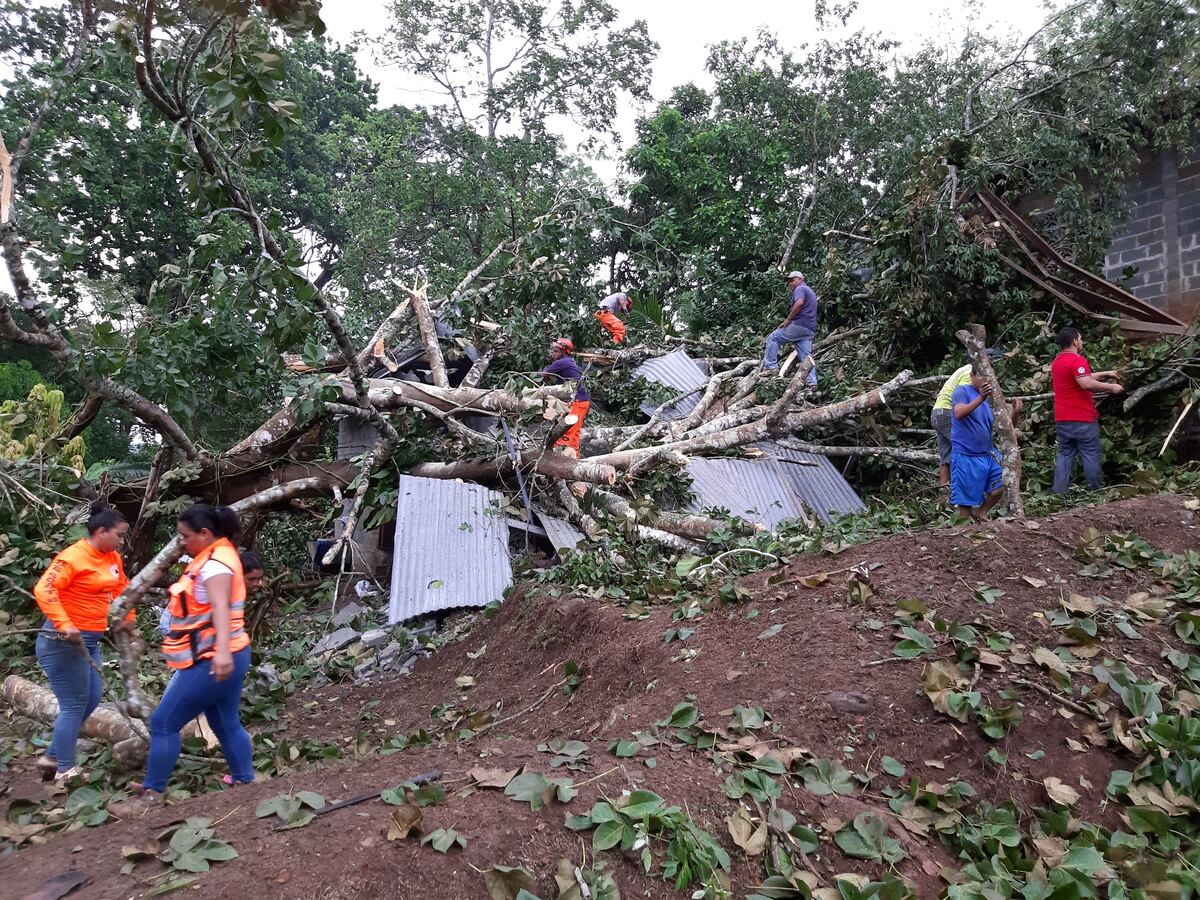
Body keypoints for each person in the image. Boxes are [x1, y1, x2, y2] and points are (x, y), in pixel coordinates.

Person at [111, 504, 253, 814]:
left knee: (164, 723)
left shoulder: (216, 565)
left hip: (215, 657)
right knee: (225, 722)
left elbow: (220, 610)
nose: (181, 542)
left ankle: (152, 795)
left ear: (205, 534)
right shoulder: (216, 556)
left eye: (185, 536)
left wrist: (223, 655)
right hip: (228, 653)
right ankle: (246, 783)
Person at [32, 505, 134, 780]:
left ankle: (52, 757)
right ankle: (65, 770)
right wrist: (65, 624)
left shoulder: (112, 557)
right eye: (119, 535)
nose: (122, 541)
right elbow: (44, 589)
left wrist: (129, 616)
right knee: (75, 705)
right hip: (61, 642)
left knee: (90, 700)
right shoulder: (73, 557)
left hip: (90, 641)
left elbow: (122, 587)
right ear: (101, 532)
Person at [1051, 326, 1123, 495]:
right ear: (1075, 341)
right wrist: (1111, 387)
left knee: (1065, 455)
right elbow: (1085, 383)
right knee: (1090, 454)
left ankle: (1059, 493)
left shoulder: (1057, 362)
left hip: (1062, 418)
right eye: (1080, 338)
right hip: (1082, 418)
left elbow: (1082, 377)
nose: (1081, 342)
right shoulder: (1077, 360)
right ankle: (1096, 493)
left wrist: (1106, 373)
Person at [931, 348, 1002, 488]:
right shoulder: (970, 373)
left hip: (938, 412)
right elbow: (963, 399)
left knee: (946, 455)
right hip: (947, 412)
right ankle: (971, 488)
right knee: (967, 449)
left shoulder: (966, 369)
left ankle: (944, 490)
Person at [950, 366, 1008, 521]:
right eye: (982, 375)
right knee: (964, 504)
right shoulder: (962, 391)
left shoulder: (990, 398)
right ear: (972, 375)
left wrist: (1016, 412)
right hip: (965, 454)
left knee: (1002, 483)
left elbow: (1005, 428)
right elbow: (959, 413)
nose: (987, 379)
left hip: (988, 453)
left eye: (989, 375)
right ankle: (963, 533)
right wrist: (980, 398)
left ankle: (982, 512)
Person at [542, 338, 591, 498]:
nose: (553, 353)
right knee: (572, 432)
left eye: (556, 351)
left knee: (568, 432)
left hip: (578, 401)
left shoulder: (563, 362)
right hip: (578, 401)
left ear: (563, 351)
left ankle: (564, 464)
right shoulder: (566, 361)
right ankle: (572, 463)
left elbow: (544, 374)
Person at [762, 271, 818, 387]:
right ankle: (812, 383)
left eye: (792, 280)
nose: (790, 283)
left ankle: (770, 367)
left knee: (773, 338)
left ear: (800, 279)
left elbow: (799, 303)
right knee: (806, 357)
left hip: (800, 324)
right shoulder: (810, 291)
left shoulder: (800, 288)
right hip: (809, 329)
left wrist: (788, 320)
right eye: (789, 282)